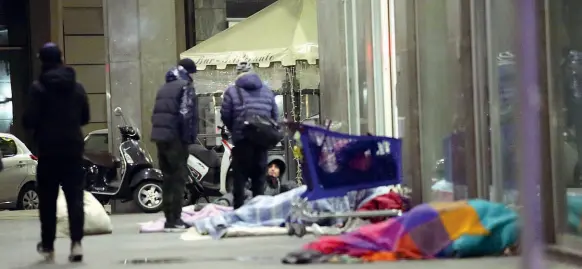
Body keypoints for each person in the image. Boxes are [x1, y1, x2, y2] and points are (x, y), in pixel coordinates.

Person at [22, 43, 90, 263]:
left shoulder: (38, 88)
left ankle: (48, 245)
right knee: (75, 198)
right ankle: (76, 243)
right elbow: (85, 117)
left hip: (49, 151)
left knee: (48, 200)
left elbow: (29, 120)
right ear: (61, 58)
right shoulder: (77, 87)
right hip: (73, 149)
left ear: (42, 60)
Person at [220, 62, 279, 209]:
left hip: (242, 141)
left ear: (238, 74)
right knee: (259, 179)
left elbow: (225, 114)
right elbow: (275, 115)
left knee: (240, 178)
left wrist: (234, 129)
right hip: (261, 143)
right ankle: (257, 212)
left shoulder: (232, 92)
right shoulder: (267, 91)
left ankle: (239, 211)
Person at [151, 58, 198, 232]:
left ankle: (169, 218)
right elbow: (186, 114)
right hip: (176, 139)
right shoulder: (185, 86)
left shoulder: (164, 87)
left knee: (168, 178)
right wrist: (188, 138)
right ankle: (175, 219)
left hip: (160, 138)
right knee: (178, 178)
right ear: (188, 72)